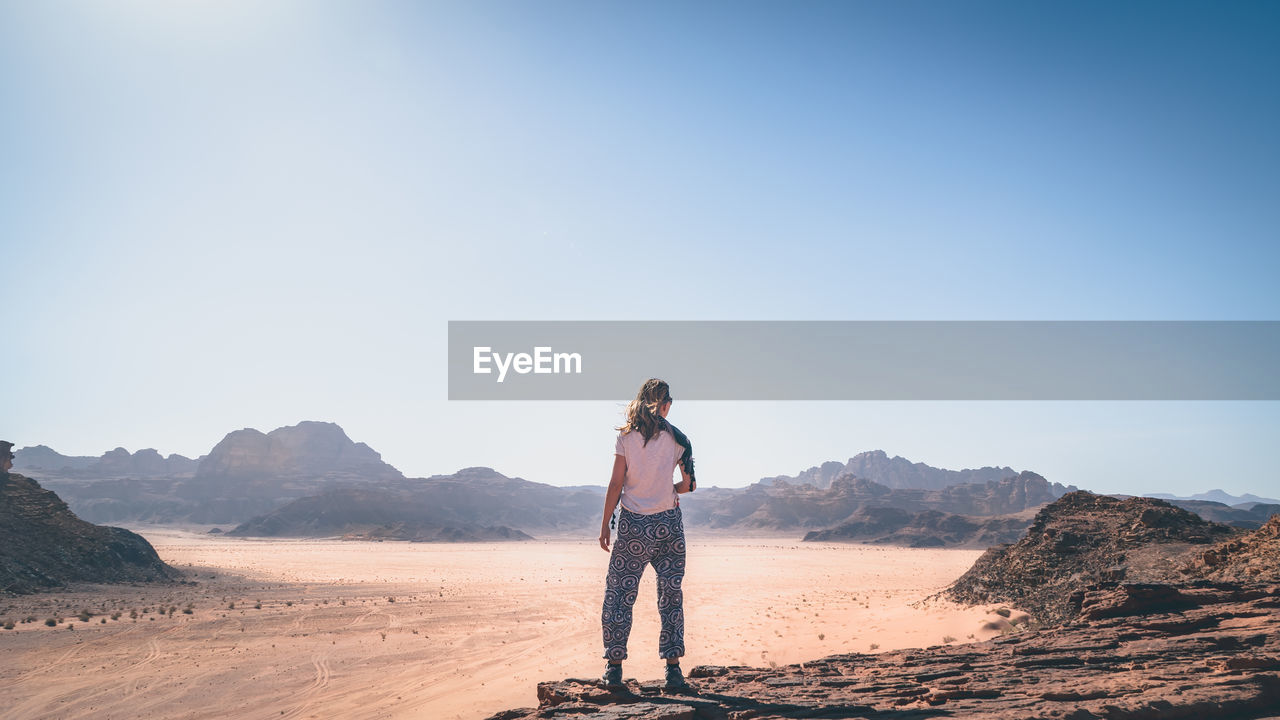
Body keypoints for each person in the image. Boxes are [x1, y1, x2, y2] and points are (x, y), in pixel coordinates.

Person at [598, 378, 696, 692]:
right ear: (664, 404)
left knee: (619, 595)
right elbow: (690, 484)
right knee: (671, 596)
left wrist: (605, 525)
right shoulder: (679, 439)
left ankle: (614, 669)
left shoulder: (626, 437)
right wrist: (668, 488)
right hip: (669, 525)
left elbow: (616, 484)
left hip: (633, 528)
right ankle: (673, 670)